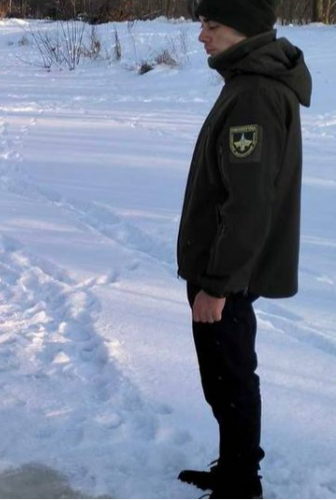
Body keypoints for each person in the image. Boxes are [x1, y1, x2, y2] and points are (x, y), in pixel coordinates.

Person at [176, 1, 311, 498]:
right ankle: (236, 466)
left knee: (229, 374)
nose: (202, 37)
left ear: (243, 31)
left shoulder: (253, 93)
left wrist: (218, 285)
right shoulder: (247, 81)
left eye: (211, 26)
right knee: (226, 372)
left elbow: (248, 204)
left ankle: (240, 482)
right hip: (224, 265)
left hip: (225, 270)